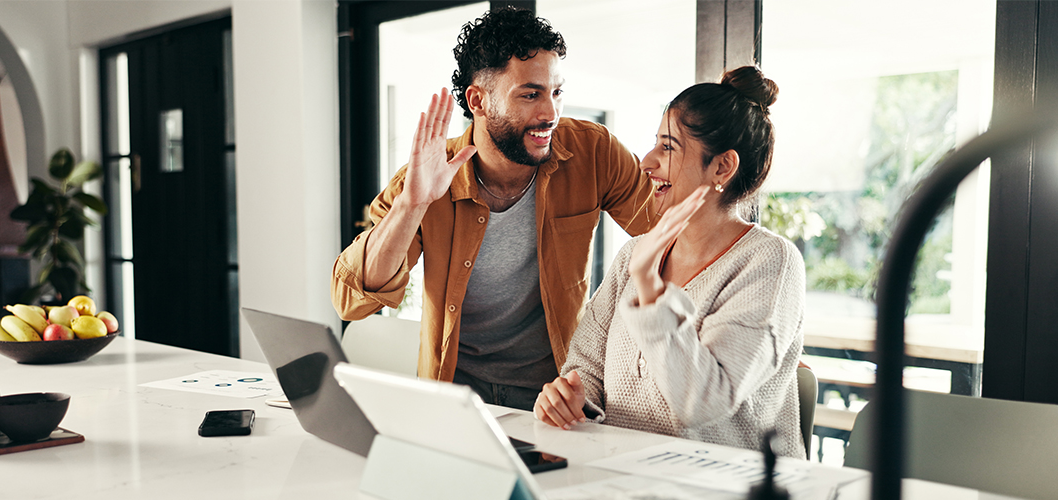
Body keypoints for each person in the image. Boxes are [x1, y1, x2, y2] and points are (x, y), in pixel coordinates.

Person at [331, 8, 658, 411]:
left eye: (556, 92)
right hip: (457, 397)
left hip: (556, 395)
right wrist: (412, 205)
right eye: (530, 94)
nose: (550, 114)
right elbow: (351, 299)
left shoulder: (593, 151)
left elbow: (667, 233)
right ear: (478, 100)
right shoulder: (428, 176)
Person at [532, 66, 807, 458]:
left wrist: (649, 287)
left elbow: (703, 402)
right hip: (626, 477)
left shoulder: (770, 263)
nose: (646, 162)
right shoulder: (635, 253)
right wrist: (570, 400)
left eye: (668, 147)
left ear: (722, 167)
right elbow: (585, 368)